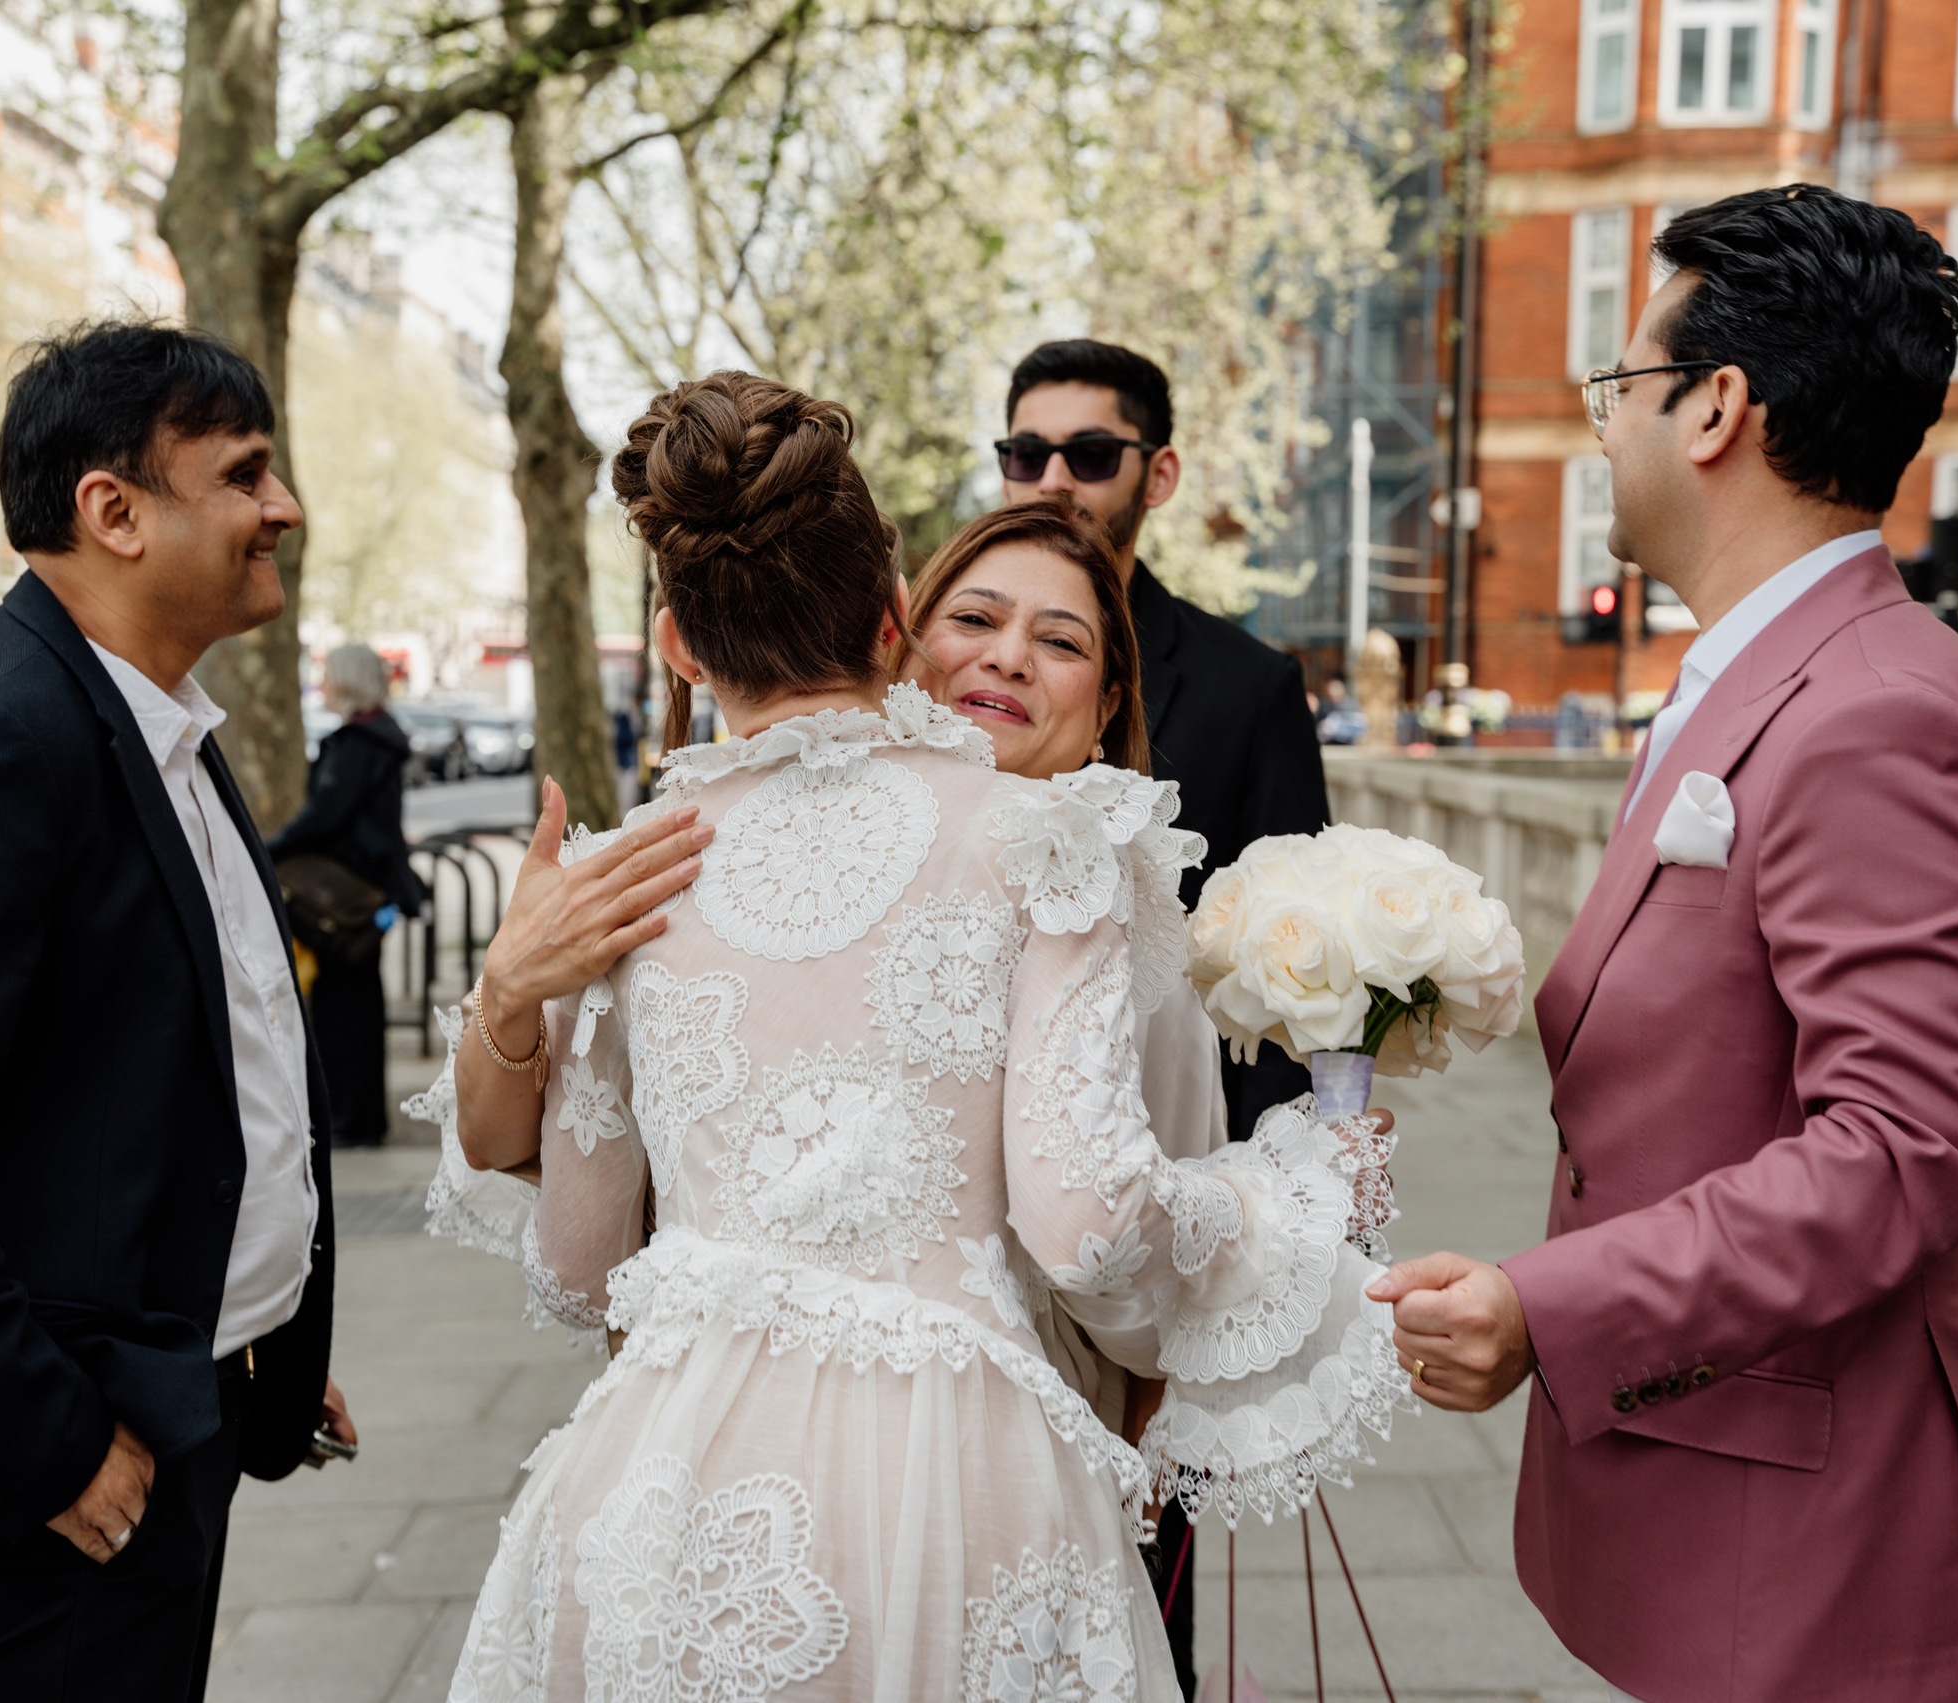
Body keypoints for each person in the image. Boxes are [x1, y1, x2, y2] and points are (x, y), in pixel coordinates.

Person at [423, 372, 1406, 1699]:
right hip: (958, 1470)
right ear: (896, 625)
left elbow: (585, 1265)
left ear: (675, 644)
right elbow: (1095, 1226)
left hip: (665, 1473)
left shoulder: (623, 874)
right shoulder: (1047, 836)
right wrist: (1291, 1196)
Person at [1370, 185, 1958, 1703]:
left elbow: (1902, 1149)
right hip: (1714, 1496)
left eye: (1620, 385)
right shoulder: (1764, 675)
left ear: (1716, 409)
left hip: (1817, 1551)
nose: (1602, 423)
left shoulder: (1879, 712)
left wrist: (1554, 1304)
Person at [0, 322, 358, 1703]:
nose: (285, 508)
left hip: (170, 1404)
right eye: (246, 472)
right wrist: (47, 1441)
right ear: (115, 511)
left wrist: (263, 1337)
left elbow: (173, 1074)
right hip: (49, 1483)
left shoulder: (153, 722)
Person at [895, 497, 1233, 1690]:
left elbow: (1170, 1195)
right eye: (974, 617)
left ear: (1101, 715)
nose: (1004, 656)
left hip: (1032, 1455)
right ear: (900, 640)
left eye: (1060, 641)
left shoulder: (1133, 923)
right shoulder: (801, 869)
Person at [999, 341, 1328, 1141]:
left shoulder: (1252, 689)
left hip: (1170, 1143)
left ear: (1161, 473)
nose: (1053, 479)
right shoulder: (939, 663)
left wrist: (1273, 1191)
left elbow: (1288, 975)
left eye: (1091, 454)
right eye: (1026, 453)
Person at [268, 643, 426, 1149]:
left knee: (343, 1008)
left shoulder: (357, 744)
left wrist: (266, 847)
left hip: (348, 897)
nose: (323, 685)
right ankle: (361, 1117)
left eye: (328, 676)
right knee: (358, 1002)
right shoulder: (378, 738)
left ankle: (350, 1119)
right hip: (371, 896)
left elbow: (324, 816)